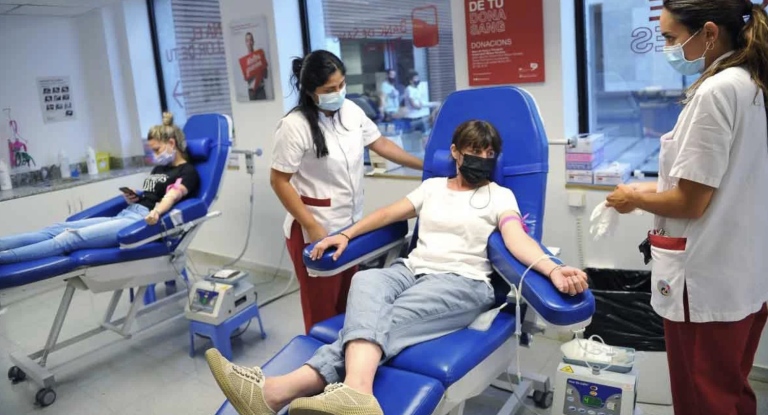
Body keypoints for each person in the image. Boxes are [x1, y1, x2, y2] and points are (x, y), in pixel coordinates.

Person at [209, 120, 589, 415]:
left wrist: (552, 269)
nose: (482, 160)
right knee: (368, 280)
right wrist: (346, 234)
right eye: (474, 152)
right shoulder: (433, 188)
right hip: (411, 270)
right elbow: (389, 213)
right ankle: (348, 395)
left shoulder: (498, 195)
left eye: (489, 154)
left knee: (383, 320)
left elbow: (517, 238)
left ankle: (284, 392)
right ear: (455, 153)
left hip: (462, 282)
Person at [606, 2, 768, 414]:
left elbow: (691, 201)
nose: (666, 48)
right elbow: (721, 179)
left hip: (705, 281)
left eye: (670, 38)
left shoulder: (717, 91)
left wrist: (634, 198)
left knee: (702, 401)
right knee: (731, 391)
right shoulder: (753, 84)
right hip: (745, 277)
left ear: (709, 33)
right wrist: (647, 188)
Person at [270, 50, 424, 334]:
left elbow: (382, 145)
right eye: (330, 89)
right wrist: (312, 225)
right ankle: (319, 375)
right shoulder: (294, 126)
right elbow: (279, 181)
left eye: (341, 85)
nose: (339, 92)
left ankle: (343, 367)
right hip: (312, 229)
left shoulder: (351, 111)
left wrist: (424, 165)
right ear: (310, 91)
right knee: (321, 312)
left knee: (346, 305)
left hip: (348, 228)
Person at [0, 112, 199, 264]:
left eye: (156, 149)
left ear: (172, 143)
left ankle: (5, 258)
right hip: (126, 214)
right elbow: (151, 195)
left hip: (140, 221)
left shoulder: (187, 171)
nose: (155, 154)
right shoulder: (159, 168)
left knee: (68, 239)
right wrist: (135, 197)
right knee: (56, 228)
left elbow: (171, 196)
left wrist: (156, 212)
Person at [245, 32, 268, 101]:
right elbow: (247, 79)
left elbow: (266, 75)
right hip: (251, 92)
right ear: (245, 43)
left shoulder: (260, 56)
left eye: (251, 40)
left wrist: (262, 65)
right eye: (247, 40)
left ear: (253, 41)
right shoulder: (244, 60)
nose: (249, 43)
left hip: (261, 90)